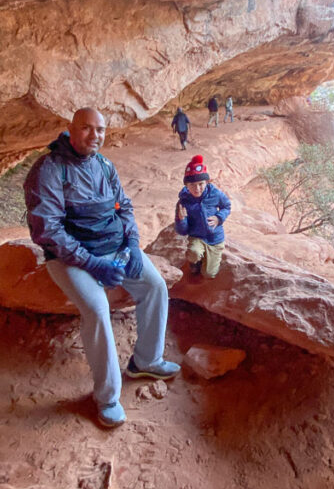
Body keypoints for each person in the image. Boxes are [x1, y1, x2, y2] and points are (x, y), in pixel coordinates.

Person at [24, 108, 179, 429]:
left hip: (115, 248)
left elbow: (123, 205)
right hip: (68, 257)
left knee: (155, 286)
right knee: (96, 308)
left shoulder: (104, 166)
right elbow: (48, 230)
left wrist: (133, 244)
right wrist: (92, 263)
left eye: (101, 130)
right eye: (86, 128)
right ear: (70, 129)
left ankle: (146, 361)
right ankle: (107, 397)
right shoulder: (50, 170)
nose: (95, 136)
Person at [174, 154, 232, 279]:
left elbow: (226, 206)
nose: (197, 188)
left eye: (201, 184)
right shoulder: (183, 201)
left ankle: (206, 261)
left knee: (209, 274)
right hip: (197, 237)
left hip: (215, 238)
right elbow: (182, 231)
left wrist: (219, 218)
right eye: (192, 185)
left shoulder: (215, 194)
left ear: (207, 182)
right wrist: (181, 220)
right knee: (194, 253)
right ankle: (195, 262)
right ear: (186, 186)